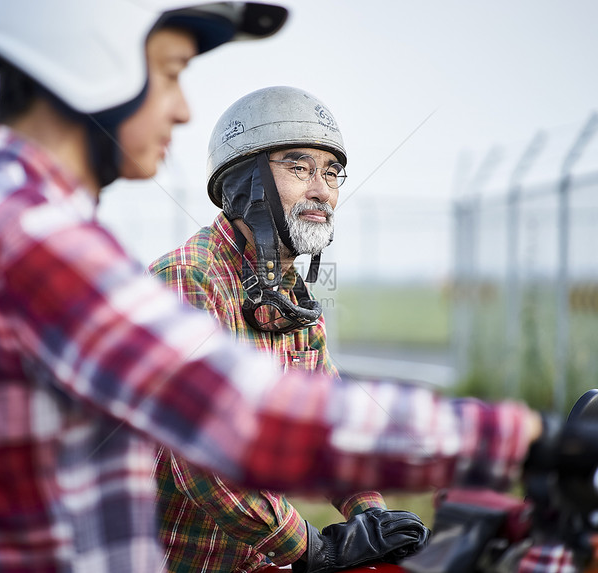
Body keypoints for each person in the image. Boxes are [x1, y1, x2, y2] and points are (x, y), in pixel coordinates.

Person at [0, 1, 598, 572]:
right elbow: (238, 423)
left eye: (332, 172)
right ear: (88, 61)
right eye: (167, 74)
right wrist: (526, 442)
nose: (184, 107)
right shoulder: (26, 237)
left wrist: (376, 519)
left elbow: (326, 407)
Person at [150, 86, 428, 573]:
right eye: (298, 168)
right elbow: (202, 462)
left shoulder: (292, 301)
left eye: (332, 172)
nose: (322, 189)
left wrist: (372, 518)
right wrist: (312, 549)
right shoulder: (188, 279)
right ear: (245, 183)